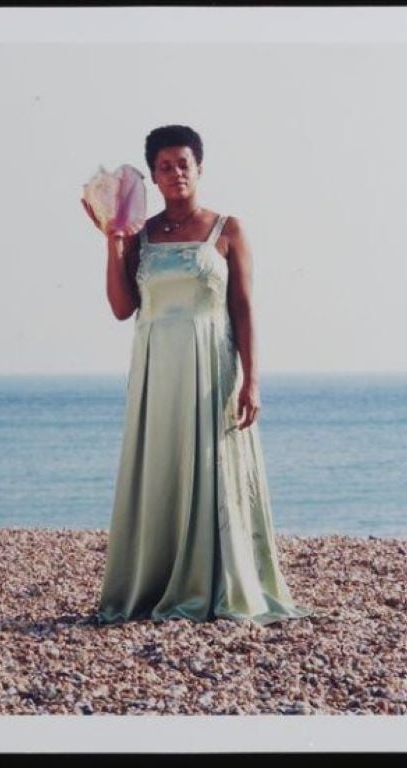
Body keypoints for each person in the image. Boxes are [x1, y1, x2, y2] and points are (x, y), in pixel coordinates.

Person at [81, 124, 312, 626]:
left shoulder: (227, 229)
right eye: (164, 166)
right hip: (155, 372)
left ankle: (220, 586)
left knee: (213, 468)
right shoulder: (140, 235)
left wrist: (252, 380)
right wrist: (112, 243)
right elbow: (123, 309)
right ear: (154, 176)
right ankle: (155, 583)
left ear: (199, 168)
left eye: (184, 164)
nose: (175, 173)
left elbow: (244, 308)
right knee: (161, 466)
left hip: (212, 365)